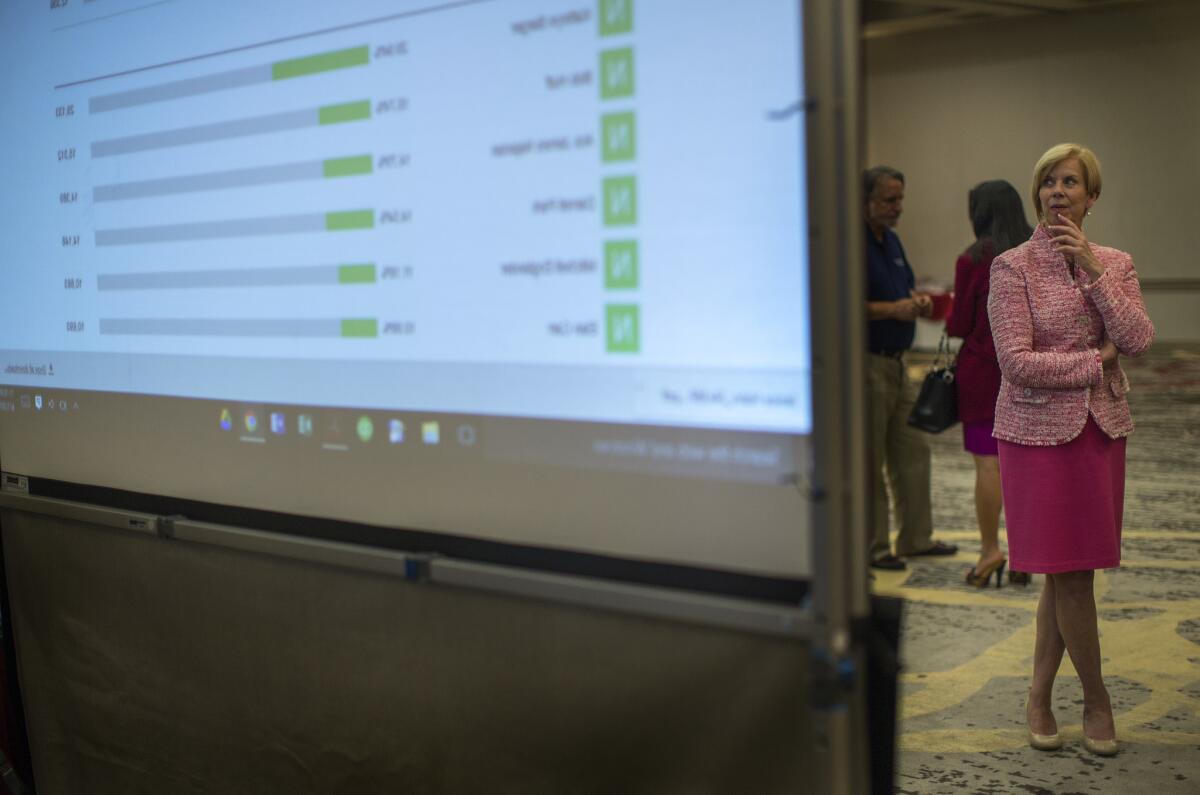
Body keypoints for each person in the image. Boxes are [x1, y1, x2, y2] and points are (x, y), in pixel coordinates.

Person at [988, 143, 1154, 756]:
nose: (1057, 191)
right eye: (1048, 181)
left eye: (1070, 182)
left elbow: (1135, 339)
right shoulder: (1011, 267)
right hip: (1033, 437)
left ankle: (1037, 696)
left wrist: (1093, 269)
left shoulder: (1115, 262)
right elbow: (1017, 362)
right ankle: (1096, 699)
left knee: (1065, 578)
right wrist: (1094, 360)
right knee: (1073, 576)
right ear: (1037, 193)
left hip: (1100, 433)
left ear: (1091, 196)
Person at [864, 166, 958, 570]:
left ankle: (915, 538)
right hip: (865, 364)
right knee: (867, 459)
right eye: (889, 200)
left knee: (913, 449)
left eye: (900, 199)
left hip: (898, 365)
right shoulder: (849, 245)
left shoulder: (893, 242)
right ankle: (873, 547)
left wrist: (916, 301)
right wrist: (893, 309)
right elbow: (838, 303)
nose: (897, 207)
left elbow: (900, 292)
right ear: (865, 201)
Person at [945, 180, 1033, 588]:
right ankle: (1027, 553)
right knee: (1027, 464)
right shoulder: (1037, 252)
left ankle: (990, 551)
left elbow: (960, 323)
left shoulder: (974, 259)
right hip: (1031, 372)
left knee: (988, 463)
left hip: (983, 372)